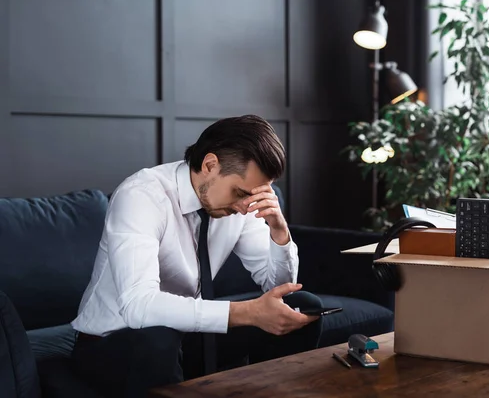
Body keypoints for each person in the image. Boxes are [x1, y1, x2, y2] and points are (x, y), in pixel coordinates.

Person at [70, 114, 323, 397]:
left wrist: (278, 229)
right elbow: (138, 305)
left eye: (252, 196)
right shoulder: (141, 195)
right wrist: (247, 313)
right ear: (210, 165)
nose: (244, 207)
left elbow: (277, 287)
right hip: (113, 342)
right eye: (239, 193)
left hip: (186, 337)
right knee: (158, 338)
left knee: (300, 307)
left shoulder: (241, 205)